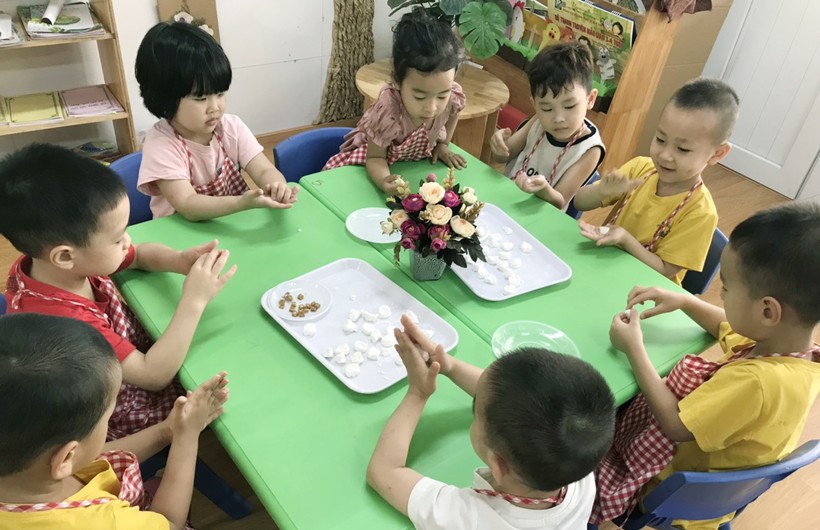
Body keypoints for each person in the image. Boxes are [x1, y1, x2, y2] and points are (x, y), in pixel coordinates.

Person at [593, 202, 820, 528]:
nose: (721, 296)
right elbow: (725, 325)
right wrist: (686, 301)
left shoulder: (758, 385)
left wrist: (633, 349)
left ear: (768, 311)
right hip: (715, 483)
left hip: (664, 487)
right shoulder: (793, 349)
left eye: (725, 288)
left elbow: (675, 425)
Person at [0, 144, 236, 440]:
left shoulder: (55, 264)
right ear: (65, 255)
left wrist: (178, 260)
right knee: (228, 390)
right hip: (117, 411)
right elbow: (153, 375)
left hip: (129, 361)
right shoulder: (65, 324)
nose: (127, 241)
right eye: (117, 238)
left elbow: (138, 255)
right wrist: (195, 299)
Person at [367, 315, 616, 529]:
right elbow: (512, 401)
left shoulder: (469, 519)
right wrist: (450, 366)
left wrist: (418, 392)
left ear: (498, 465)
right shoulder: (579, 470)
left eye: (475, 411)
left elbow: (384, 471)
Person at [0, 313, 228, 530]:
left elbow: (86, 458)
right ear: (67, 456)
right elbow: (169, 523)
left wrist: (167, 430)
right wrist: (187, 435)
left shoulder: (29, 466)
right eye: (107, 417)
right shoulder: (109, 522)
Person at [573, 78, 739, 286]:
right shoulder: (640, 168)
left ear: (717, 153)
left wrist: (625, 239)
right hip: (603, 271)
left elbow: (664, 271)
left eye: (682, 149)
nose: (665, 155)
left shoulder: (701, 213)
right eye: (660, 139)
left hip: (645, 293)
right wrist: (601, 192)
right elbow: (579, 202)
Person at [136, 21, 298, 220]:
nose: (215, 107)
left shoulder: (231, 127)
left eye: (220, 94)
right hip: (181, 232)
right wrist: (241, 203)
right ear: (165, 99)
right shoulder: (161, 144)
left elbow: (264, 169)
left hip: (228, 223)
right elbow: (188, 204)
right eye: (201, 98)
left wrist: (276, 186)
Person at [323, 8, 468, 193]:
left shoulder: (452, 96)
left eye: (442, 96)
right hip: (368, 165)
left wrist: (443, 145)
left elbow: (454, 112)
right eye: (420, 96)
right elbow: (375, 158)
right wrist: (383, 181)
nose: (432, 108)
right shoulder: (389, 110)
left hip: (412, 167)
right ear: (397, 81)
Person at [489, 42, 605, 210]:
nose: (558, 118)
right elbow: (505, 155)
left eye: (569, 106)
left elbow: (560, 201)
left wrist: (544, 190)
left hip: (538, 216)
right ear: (535, 105)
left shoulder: (590, 149)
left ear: (590, 99)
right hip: (505, 200)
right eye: (546, 108)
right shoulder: (538, 121)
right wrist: (499, 149)